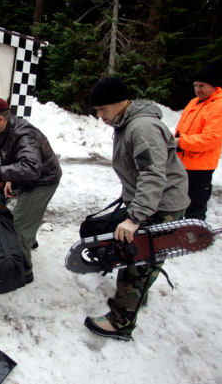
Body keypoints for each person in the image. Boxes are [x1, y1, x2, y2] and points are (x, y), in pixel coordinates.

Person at [84, 78, 190, 341]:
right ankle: (135, 299)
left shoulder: (142, 127)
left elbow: (152, 174)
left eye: (102, 110)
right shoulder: (127, 123)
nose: (99, 116)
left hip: (160, 205)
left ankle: (120, 322)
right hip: (154, 201)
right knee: (148, 259)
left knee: (135, 261)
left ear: (120, 102)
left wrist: (135, 217)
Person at [0, 98, 62, 283]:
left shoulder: (23, 135)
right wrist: (9, 178)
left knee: (19, 227)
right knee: (27, 214)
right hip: (33, 177)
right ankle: (30, 240)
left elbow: (30, 167)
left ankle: (22, 272)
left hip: (43, 181)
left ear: (0, 119)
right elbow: (13, 159)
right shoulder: (5, 131)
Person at [174, 66, 222, 220]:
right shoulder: (194, 102)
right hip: (181, 162)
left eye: (202, 86)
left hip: (200, 167)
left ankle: (194, 238)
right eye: (195, 86)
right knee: (175, 202)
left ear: (214, 86)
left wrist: (180, 142)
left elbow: (211, 139)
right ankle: (175, 234)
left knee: (194, 206)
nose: (197, 90)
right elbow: (182, 129)